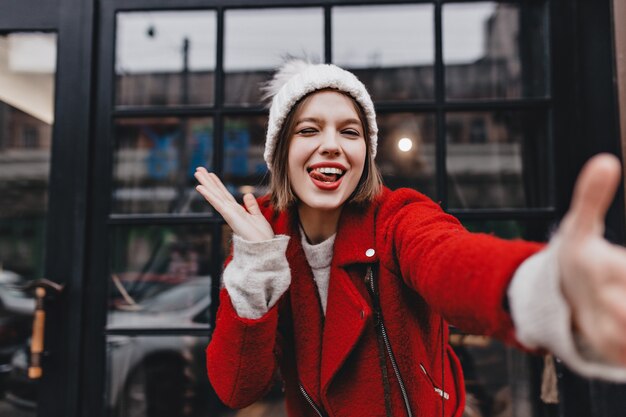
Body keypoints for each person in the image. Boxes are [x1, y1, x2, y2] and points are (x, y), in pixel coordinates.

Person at [194, 60, 626, 417]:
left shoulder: (398, 217)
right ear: (280, 151)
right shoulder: (265, 239)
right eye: (308, 130)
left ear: (367, 153)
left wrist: (551, 288)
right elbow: (237, 389)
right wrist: (254, 264)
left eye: (350, 131)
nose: (332, 145)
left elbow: (450, 258)